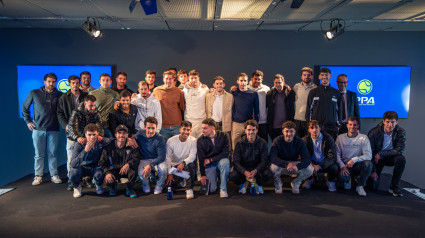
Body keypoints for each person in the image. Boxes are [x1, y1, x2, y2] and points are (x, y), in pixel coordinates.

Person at [22, 73, 63, 186]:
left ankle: (54, 175)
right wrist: (28, 121)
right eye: (49, 81)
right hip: (38, 129)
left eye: (53, 82)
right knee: (38, 155)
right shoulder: (34, 93)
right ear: (44, 82)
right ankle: (38, 176)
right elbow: (25, 107)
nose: (51, 84)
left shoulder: (60, 95)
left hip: (53, 129)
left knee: (52, 154)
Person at [57, 75, 88, 190]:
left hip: (84, 132)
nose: (75, 85)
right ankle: (71, 180)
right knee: (71, 157)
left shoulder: (85, 96)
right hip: (70, 132)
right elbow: (59, 113)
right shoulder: (63, 97)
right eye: (73, 83)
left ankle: (85, 179)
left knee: (84, 156)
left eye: (77, 83)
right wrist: (65, 124)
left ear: (80, 83)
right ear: (69, 84)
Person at [368, 111, 406, 197]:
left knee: (401, 159)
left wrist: (381, 153)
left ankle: (394, 186)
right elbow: (369, 152)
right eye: (387, 122)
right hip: (376, 158)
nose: (390, 125)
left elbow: (399, 150)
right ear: (383, 121)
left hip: (389, 157)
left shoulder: (400, 132)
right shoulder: (374, 132)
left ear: (397, 122)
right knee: (371, 188)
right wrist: (373, 171)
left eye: (392, 122)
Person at [269, 121, 314, 194]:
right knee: (273, 167)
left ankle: (296, 182)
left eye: (291, 131)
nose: (289, 134)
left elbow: (307, 158)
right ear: (283, 131)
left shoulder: (299, 141)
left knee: (310, 169)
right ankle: (278, 183)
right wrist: (286, 164)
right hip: (282, 165)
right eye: (287, 131)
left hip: (294, 165)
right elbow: (272, 157)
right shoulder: (277, 140)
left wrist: (298, 166)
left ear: (295, 132)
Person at [69, 123, 112, 198]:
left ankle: (98, 184)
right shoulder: (79, 144)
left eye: (94, 134)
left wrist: (128, 139)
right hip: (82, 167)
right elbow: (73, 164)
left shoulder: (100, 141)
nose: (92, 137)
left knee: (100, 173)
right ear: (85, 134)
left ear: (97, 134)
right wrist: (85, 151)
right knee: (73, 171)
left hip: (95, 167)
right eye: (89, 135)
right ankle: (76, 186)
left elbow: (113, 140)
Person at [98, 125, 141, 198]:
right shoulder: (108, 146)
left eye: (124, 133)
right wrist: (107, 173)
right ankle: (112, 186)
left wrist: (128, 164)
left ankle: (130, 188)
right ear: (115, 135)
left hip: (126, 170)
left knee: (134, 168)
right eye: (119, 133)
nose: (121, 135)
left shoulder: (132, 145)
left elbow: (136, 158)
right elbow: (102, 162)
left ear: (127, 135)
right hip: (113, 170)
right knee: (105, 175)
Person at [229, 120, 270, 195]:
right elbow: (236, 161)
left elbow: (264, 161)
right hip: (244, 169)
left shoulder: (263, 143)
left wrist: (256, 170)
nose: (251, 132)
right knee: (232, 175)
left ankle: (258, 184)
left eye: (253, 130)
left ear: (257, 130)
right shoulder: (239, 143)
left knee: (269, 173)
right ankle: (242, 184)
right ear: (245, 131)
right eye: (249, 130)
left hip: (257, 169)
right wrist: (244, 171)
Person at [336, 116, 372, 196]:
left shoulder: (363, 137)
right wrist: (342, 166)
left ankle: (360, 185)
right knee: (342, 178)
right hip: (345, 166)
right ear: (347, 125)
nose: (352, 127)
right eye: (350, 124)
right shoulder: (340, 137)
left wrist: (354, 160)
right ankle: (348, 179)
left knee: (368, 164)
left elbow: (368, 155)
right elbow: (336, 154)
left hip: (357, 165)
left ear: (358, 126)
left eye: (355, 125)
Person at [131, 117, 167, 195]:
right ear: (144, 127)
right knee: (142, 173)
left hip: (156, 159)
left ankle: (159, 185)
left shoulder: (160, 139)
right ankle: (145, 183)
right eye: (148, 128)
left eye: (153, 128)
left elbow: (162, 157)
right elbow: (132, 138)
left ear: (156, 127)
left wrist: (150, 165)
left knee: (164, 169)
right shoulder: (140, 133)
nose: (151, 131)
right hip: (143, 159)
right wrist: (132, 139)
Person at [197, 118, 231, 198]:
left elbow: (226, 153)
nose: (202, 130)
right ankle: (214, 180)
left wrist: (211, 159)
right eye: (202, 128)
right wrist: (203, 175)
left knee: (225, 162)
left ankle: (223, 189)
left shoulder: (224, 136)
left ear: (212, 128)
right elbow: (201, 158)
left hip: (220, 161)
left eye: (205, 128)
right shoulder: (200, 140)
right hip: (210, 165)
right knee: (211, 190)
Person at [302, 120, 339, 192]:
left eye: (316, 127)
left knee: (334, 167)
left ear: (320, 128)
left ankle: (330, 181)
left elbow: (332, 157)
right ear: (309, 130)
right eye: (312, 128)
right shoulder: (305, 140)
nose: (315, 130)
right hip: (312, 163)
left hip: (324, 163)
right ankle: (309, 179)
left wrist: (319, 166)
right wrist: (311, 164)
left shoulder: (328, 139)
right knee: (303, 165)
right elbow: (303, 156)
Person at [306, 67, 342, 140]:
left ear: (330, 76)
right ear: (319, 77)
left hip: (331, 127)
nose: (324, 77)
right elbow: (309, 110)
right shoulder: (313, 92)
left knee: (331, 149)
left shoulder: (336, 92)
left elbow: (339, 110)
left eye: (326, 75)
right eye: (322, 75)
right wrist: (309, 125)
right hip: (316, 127)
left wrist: (338, 125)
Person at [165, 121, 197, 199]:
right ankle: (181, 181)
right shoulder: (171, 141)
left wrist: (183, 163)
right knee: (168, 187)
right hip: (174, 166)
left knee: (191, 164)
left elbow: (192, 156)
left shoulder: (193, 140)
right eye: (184, 129)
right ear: (180, 130)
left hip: (186, 165)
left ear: (191, 131)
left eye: (188, 130)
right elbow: (167, 158)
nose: (186, 132)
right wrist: (169, 173)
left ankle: (189, 189)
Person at [152, 70, 185, 142]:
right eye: (166, 78)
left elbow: (183, 108)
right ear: (163, 79)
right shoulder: (157, 90)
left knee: (177, 149)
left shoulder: (179, 91)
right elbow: (151, 106)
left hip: (176, 126)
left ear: (173, 79)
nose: (168, 81)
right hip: (163, 126)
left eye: (170, 79)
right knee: (164, 149)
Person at [231, 73, 259, 149]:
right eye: (241, 80)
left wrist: (256, 124)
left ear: (247, 81)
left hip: (249, 123)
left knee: (249, 143)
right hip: (237, 123)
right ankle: (235, 160)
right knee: (235, 143)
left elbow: (257, 111)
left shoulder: (253, 94)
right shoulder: (234, 92)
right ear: (237, 81)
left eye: (245, 81)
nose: (243, 83)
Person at [89, 73, 120, 138]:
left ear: (110, 81)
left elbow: (119, 103)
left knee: (111, 145)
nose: (105, 82)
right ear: (100, 81)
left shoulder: (115, 94)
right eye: (103, 80)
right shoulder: (93, 93)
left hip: (110, 126)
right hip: (96, 126)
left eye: (107, 80)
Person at [266, 74, 295, 141]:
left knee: (287, 148)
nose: (278, 84)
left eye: (280, 82)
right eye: (276, 82)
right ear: (274, 83)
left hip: (287, 127)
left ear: (283, 83)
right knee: (276, 148)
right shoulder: (270, 94)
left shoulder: (290, 93)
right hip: (274, 127)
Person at [182, 70, 209, 138]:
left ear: (198, 78)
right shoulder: (185, 89)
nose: (194, 80)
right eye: (191, 78)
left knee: (202, 142)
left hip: (201, 120)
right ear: (189, 79)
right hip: (189, 120)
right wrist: (186, 85)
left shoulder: (205, 89)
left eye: (195, 78)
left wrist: (212, 90)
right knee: (190, 142)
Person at [293, 67, 317, 138]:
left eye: (308, 75)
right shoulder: (296, 87)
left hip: (310, 120)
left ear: (311, 76)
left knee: (310, 141)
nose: (306, 77)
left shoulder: (316, 88)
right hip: (298, 119)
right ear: (301, 76)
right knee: (298, 141)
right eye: (304, 75)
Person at [247, 70, 270, 142]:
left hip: (262, 121)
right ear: (251, 79)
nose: (257, 81)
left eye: (259, 79)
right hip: (249, 121)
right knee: (250, 143)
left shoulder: (266, 89)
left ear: (262, 80)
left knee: (263, 142)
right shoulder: (246, 88)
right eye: (255, 79)